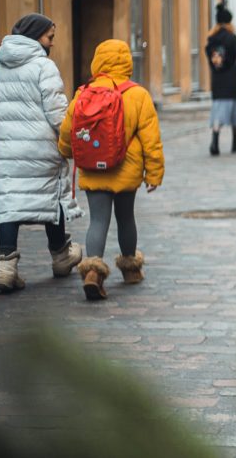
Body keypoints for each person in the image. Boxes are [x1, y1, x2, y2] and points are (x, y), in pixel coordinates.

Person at [58, 40, 164, 301]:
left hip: (93, 168)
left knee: (98, 220)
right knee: (126, 217)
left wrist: (67, 152)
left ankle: (92, 273)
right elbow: (151, 139)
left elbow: (67, 131)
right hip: (126, 169)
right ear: (127, 62)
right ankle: (130, 271)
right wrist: (154, 173)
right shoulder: (138, 94)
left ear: (98, 62)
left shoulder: (84, 92)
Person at [0, 14, 83, 293]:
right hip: (41, 149)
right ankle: (61, 257)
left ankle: (5, 270)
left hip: (6, 150)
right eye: (49, 37)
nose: (51, 43)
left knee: (9, 205)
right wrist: (70, 141)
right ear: (35, 35)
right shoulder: (44, 66)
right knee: (51, 201)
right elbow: (58, 114)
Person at [206, 3, 236, 156]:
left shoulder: (211, 39)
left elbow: (210, 58)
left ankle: (214, 142)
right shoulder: (232, 38)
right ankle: (235, 142)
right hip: (232, 80)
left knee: (218, 111)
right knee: (235, 112)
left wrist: (215, 70)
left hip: (218, 80)